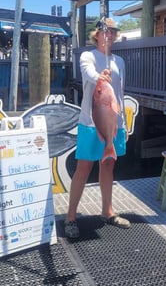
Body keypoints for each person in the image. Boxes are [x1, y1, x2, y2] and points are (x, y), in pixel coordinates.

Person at [65, 18, 130, 238]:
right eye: (105, 31)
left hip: (115, 123)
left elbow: (120, 94)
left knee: (108, 167)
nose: (109, 35)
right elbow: (88, 74)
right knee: (83, 167)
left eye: (113, 31)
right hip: (91, 123)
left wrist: (125, 123)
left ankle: (107, 211)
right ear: (97, 34)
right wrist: (99, 77)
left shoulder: (119, 61)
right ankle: (71, 217)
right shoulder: (88, 56)